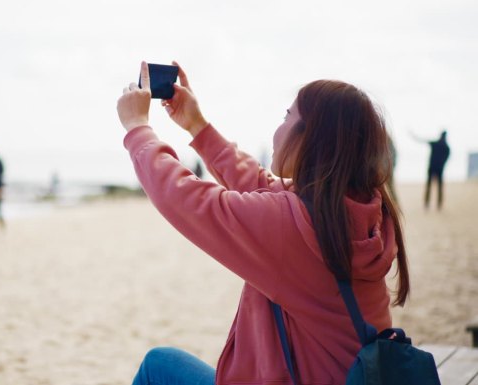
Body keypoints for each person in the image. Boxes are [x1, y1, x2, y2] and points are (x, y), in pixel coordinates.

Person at [117, 62, 409, 385]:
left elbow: (189, 201)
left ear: (311, 137)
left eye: (287, 116)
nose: (278, 127)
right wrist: (196, 125)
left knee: (157, 367)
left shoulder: (293, 226)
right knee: (163, 363)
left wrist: (137, 129)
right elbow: (260, 185)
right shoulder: (363, 211)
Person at [412, 130, 450, 210]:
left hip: (432, 168)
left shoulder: (435, 144)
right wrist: (442, 165)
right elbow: (447, 158)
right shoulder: (446, 147)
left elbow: (421, 140)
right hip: (439, 169)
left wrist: (413, 135)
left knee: (429, 186)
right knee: (438, 187)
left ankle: (427, 203)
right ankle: (438, 204)